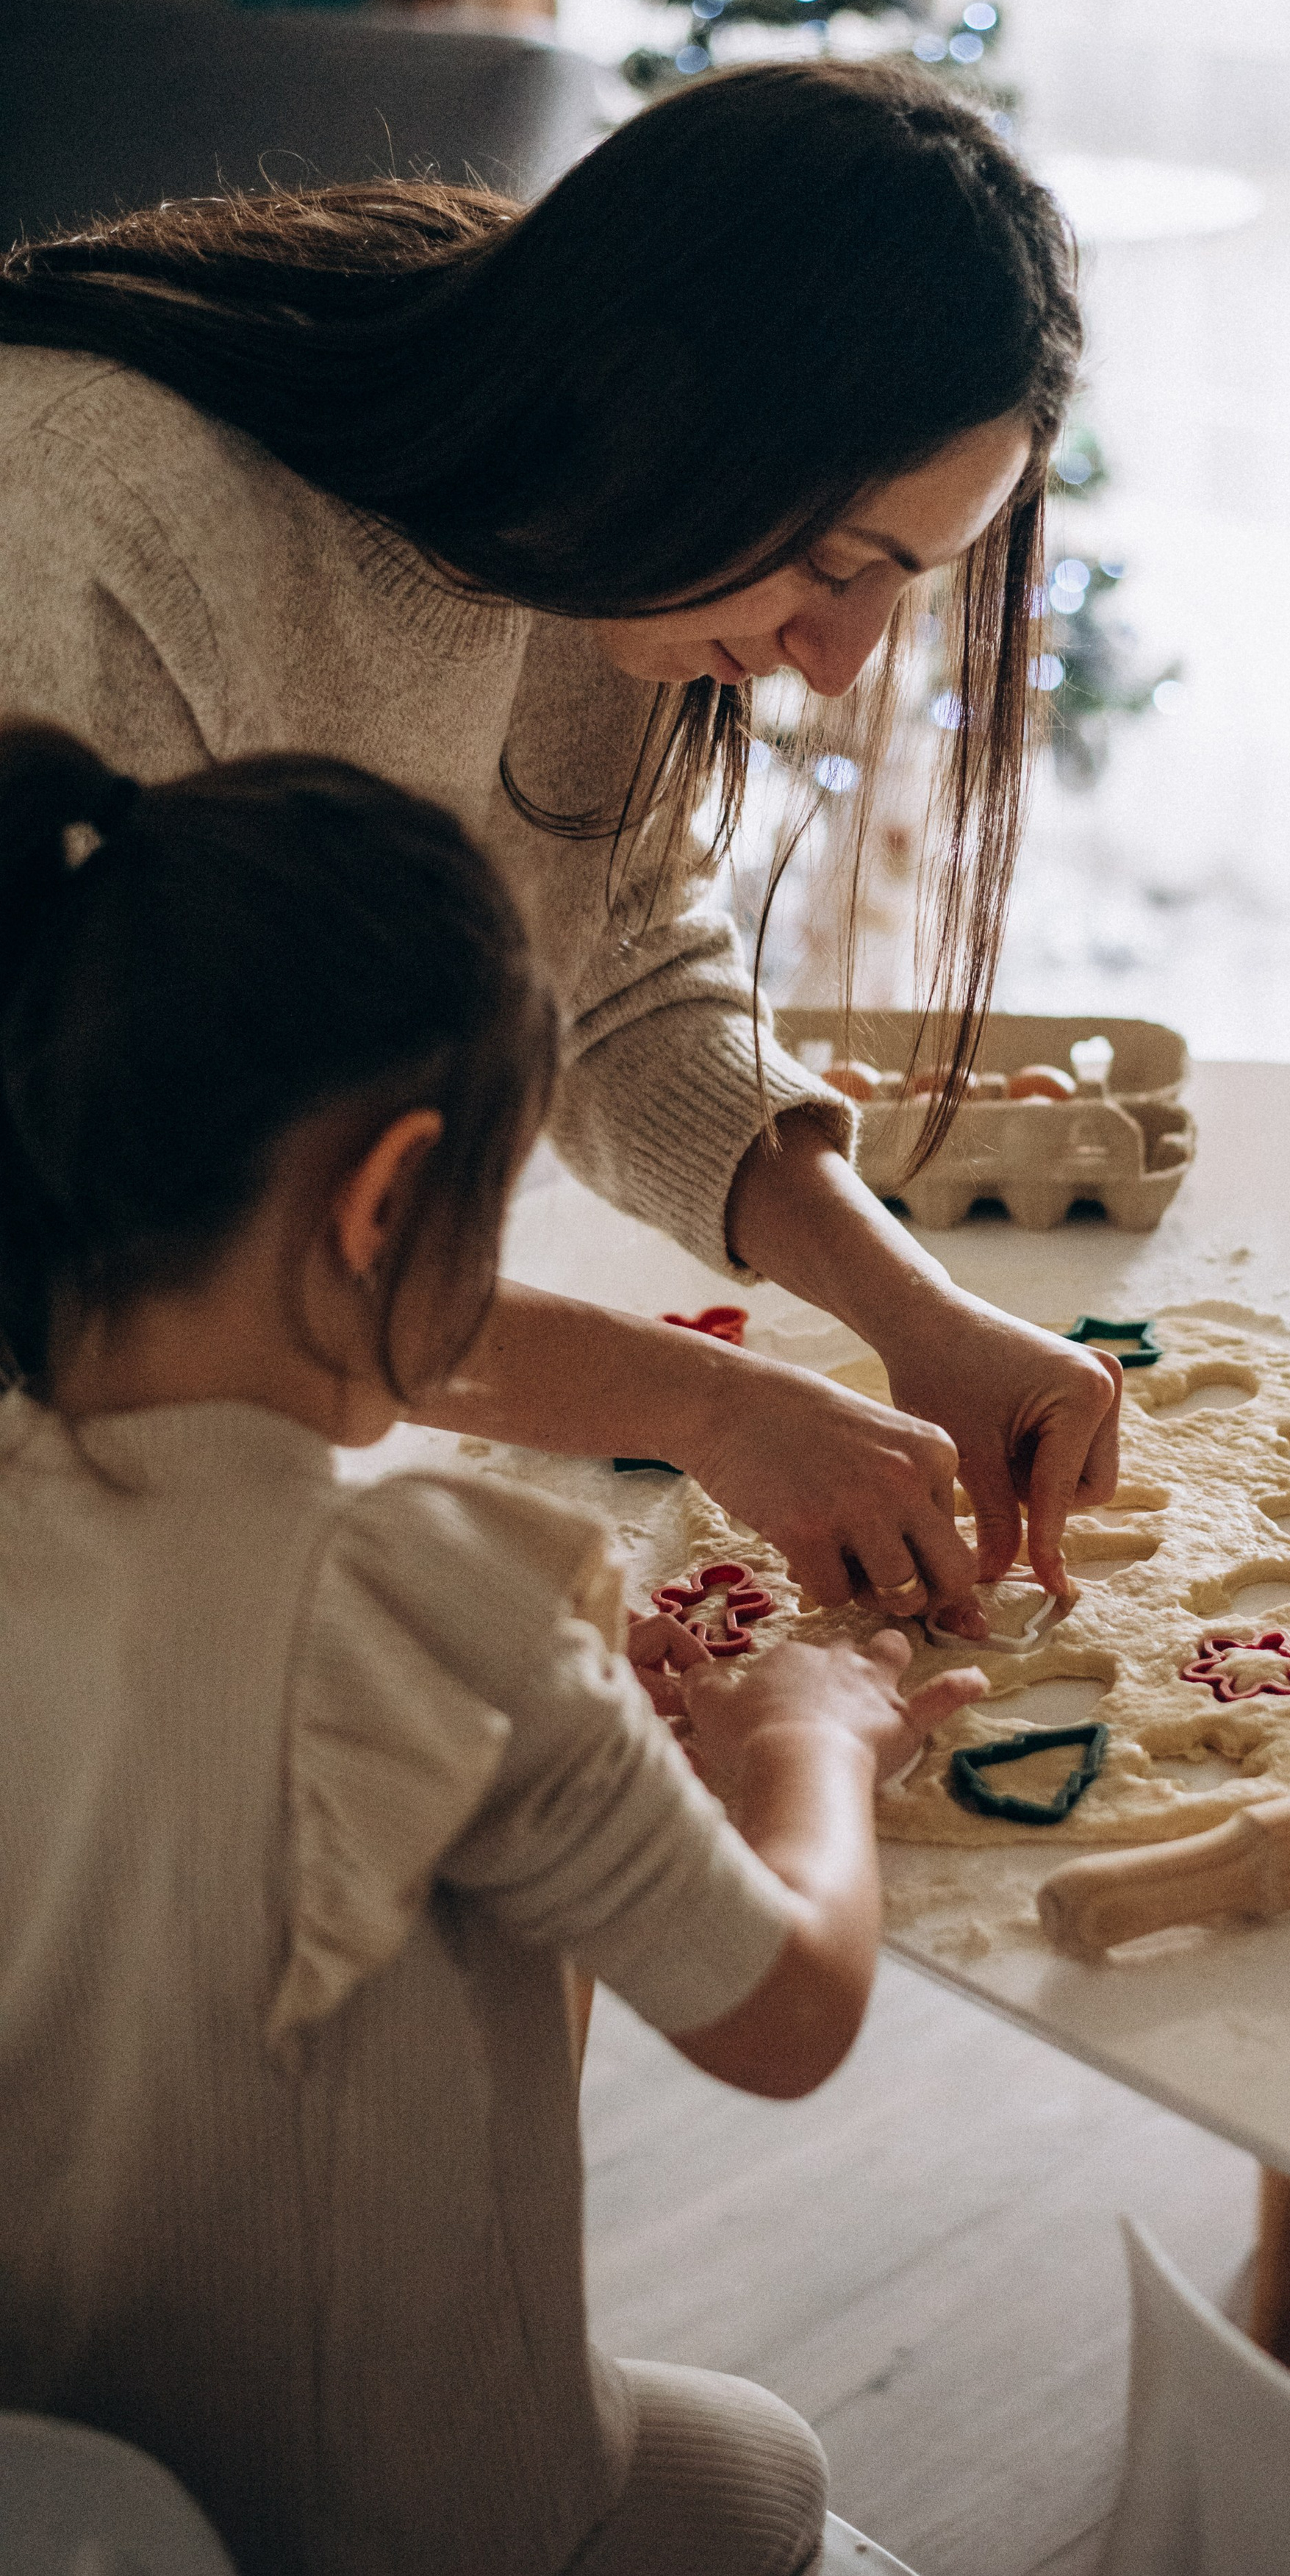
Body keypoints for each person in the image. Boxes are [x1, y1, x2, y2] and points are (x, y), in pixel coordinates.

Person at [0, 718, 989, 2576]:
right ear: (386, 1206)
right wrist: (809, 1738)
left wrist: (601, 1780)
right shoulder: (423, 1602)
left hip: (56, 2486)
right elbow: (786, 2014)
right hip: (386, 2519)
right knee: (770, 2467)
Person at [0, 57, 1121, 1638]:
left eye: (900, 586)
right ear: (651, 401)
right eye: (826, 561)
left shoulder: (608, 552)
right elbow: (135, 1256)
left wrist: (910, 1310)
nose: (838, 662)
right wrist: (715, 1405)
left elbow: (620, 977)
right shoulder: (94, 523)